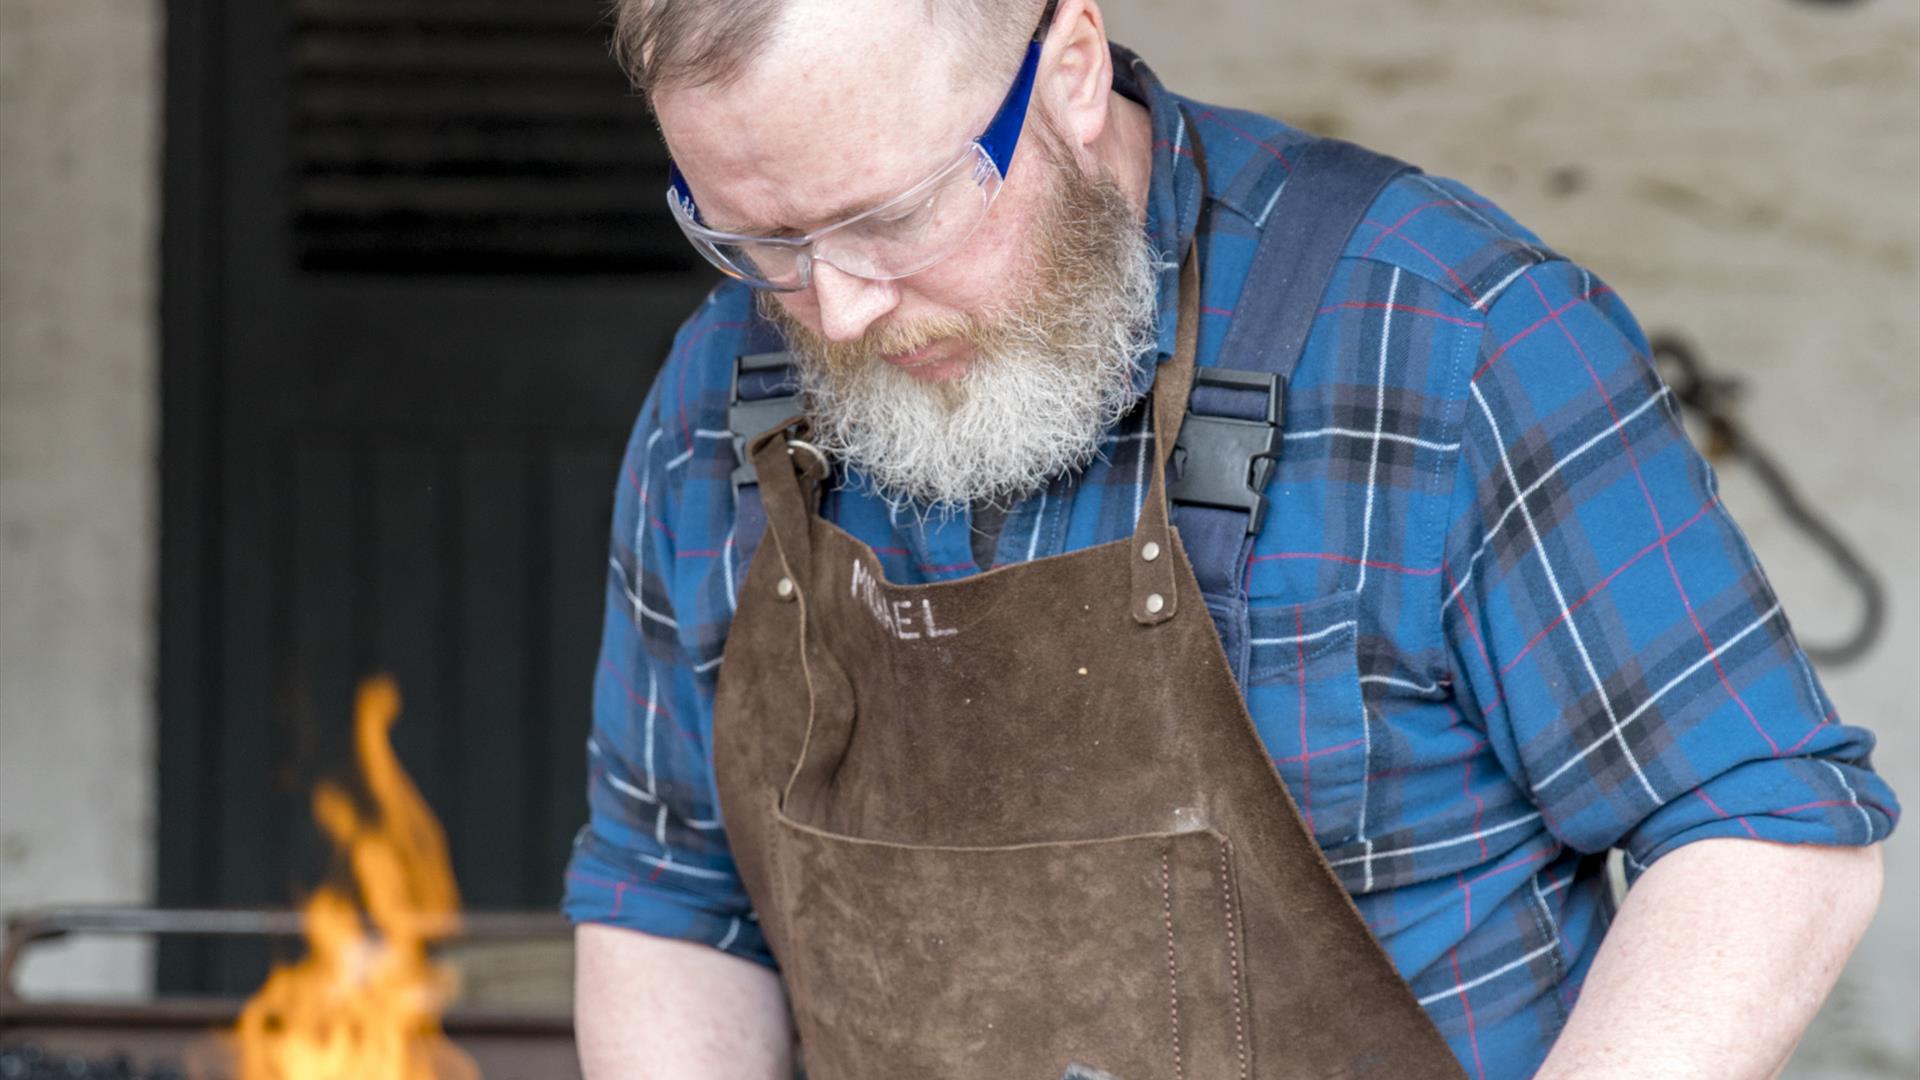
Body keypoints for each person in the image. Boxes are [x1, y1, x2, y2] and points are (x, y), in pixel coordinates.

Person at [563, 1, 1899, 1077]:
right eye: (761, 239)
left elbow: (1768, 837)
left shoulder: (1442, 336)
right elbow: (669, 894)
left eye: (893, 217)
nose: (837, 310)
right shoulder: (718, 409)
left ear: (1070, 67)